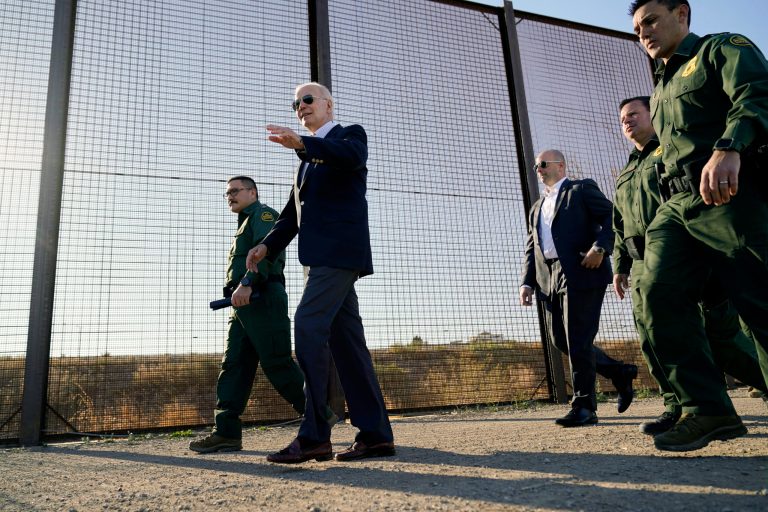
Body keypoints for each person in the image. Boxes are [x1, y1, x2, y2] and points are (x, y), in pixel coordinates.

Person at [630, 0, 768, 451]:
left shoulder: (718, 50)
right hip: (678, 205)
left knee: (758, 301)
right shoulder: (661, 84)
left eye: (651, 20)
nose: (644, 33)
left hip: (728, 194)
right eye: (637, 28)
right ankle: (706, 408)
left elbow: (757, 91)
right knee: (656, 291)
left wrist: (730, 146)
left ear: (682, 14)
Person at [246, 82, 394, 463]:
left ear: (328, 104)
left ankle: (314, 435)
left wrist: (301, 145)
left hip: (340, 255)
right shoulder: (305, 166)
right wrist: (266, 246)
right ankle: (376, 434)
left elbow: (349, 156)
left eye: (308, 100)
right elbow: (291, 216)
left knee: (308, 326)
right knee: (349, 345)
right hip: (321, 260)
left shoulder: (348, 137)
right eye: (296, 103)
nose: (301, 107)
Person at [612, 96, 768, 436]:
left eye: (634, 114)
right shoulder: (625, 171)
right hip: (642, 260)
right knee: (653, 336)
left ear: (654, 115)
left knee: (721, 337)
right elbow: (619, 224)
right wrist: (620, 264)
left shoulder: (668, 154)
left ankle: (760, 380)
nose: (627, 121)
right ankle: (678, 405)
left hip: (684, 251)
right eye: (622, 118)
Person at [520, 150, 638, 427]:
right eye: (536, 164)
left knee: (578, 339)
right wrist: (527, 281)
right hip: (547, 276)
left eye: (544, 163)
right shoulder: (536, 207)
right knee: (560, 339)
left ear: (560, 166)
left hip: (582, 269)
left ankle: (584, 406)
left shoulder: (581, 189)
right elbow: (531, 246)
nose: (538, 168)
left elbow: (613, 216)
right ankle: (619, 372)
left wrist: (600, 247)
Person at [189, 177, 306, 454]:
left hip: (261, 296)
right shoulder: (242, 222)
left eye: (235, 191)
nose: (229, 196)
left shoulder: (263, 215)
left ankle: (318, 415)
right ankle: (226, 432)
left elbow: (266, 251)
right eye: (226, 193)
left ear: (252, 192)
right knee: (234, 365)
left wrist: (248, 282)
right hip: (243, 302)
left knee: (276, 362)